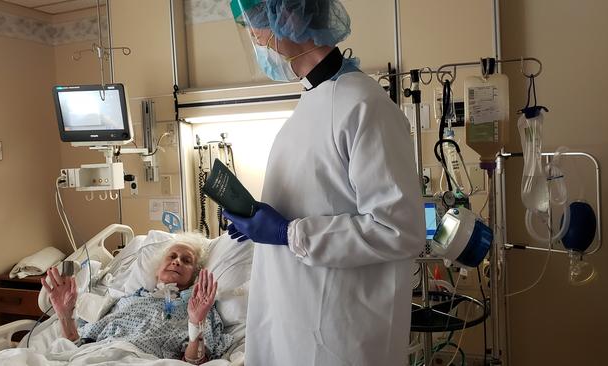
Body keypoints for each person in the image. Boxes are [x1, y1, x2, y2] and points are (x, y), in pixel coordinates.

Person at [222, 1, 426, 365]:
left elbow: (401, 229)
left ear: (287, 16)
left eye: (254, 21)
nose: (254, 35)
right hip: (295, 320)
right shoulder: (310, 105)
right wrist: (257, 222)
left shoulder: (364, 105)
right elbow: (319, 199)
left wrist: (288, 233)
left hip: (343, 334)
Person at [41, 235, 233, 364]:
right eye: (172, 256)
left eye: (186, 260)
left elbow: (195, 361)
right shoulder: (127, 301)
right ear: (158, 269)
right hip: (92, 357)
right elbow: (76, 344)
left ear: (194, 275)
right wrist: (65, 315)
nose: (177, 261)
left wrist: (196, 323)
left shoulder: (199, 307)